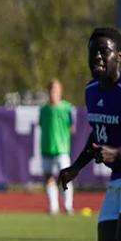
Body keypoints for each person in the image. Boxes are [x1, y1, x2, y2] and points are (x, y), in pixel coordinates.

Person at [61, 28, 121, 241]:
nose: (97, 56)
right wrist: (77, 166)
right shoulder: (91, 90)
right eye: (93, 51)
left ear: (119, 56)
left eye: (104, 51)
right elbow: (97, 132)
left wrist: (116, 152)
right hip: (117, 177)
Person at [40, 79, 75, 215]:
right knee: (48, 177)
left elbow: (71, 127)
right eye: (50, 89)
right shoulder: (43, 110)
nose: (52, 92)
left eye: (55, 89)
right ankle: (53, 207)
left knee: (65, 176)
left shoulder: (67, 108)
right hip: (46, 148)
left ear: (60, 91)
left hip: (62, 149)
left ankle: (68, 206)